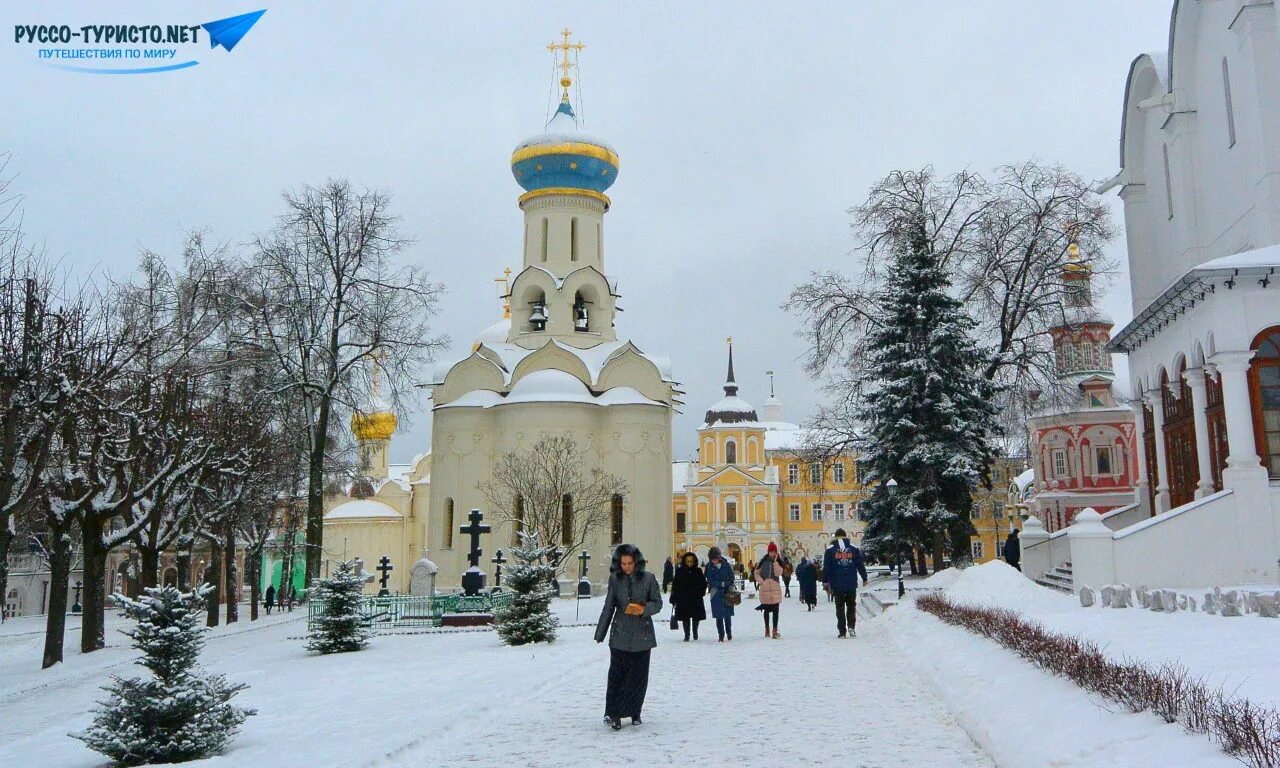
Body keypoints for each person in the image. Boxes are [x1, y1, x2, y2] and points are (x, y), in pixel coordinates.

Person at [595, 543, 663, 730]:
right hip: (620, 635)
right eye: (623, 563)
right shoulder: (615, 579)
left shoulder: (648, 579)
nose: (626, 567)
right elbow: (609, 605)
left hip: (642, 636)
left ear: (636, 563)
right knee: (617, 676)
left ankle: (635, 711)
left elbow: (657, 603)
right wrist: (600, 632)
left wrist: (644, 609)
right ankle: (613, 713)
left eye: (629, 563)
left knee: (638, 677)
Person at [822, 528, 868, 638]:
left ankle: (842, 631)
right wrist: (864, 577)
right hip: (851, 582)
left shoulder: (830, 550)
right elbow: (860, 564)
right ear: (845, 536)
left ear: (835, 536)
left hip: (837, 584)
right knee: (851, 605)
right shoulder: (853, 548)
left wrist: (825, 581)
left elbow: (827, 567)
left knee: (840, 607)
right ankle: (851, 627)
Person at [669, 552, 707, 641]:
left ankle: (695, 632)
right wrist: (673, 597)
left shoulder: (698, 571)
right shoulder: (680, 571)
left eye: (691, 561)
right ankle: (687, 634)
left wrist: (701, 591)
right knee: (685, 617)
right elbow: (675, 585)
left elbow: (703, 583)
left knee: (696, 617)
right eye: (688, 561)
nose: (689, 563)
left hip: (695, 598)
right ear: (684, 562)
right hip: (683, 598)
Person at [704, 546, 736, 642]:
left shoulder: (726, 565)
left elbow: (731, 577)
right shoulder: (709, 567)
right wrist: (720, 584)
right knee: (718, 616)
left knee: (727, 615)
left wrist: (725, 584)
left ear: (719, 558)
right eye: (712, 559)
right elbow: (709, 580)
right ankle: (721, 635)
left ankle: (729, 633)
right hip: (715, 593)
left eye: (715, 559)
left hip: (727, 592)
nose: (714, 561)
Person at [755, 542, 784, 639]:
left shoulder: (778, 562)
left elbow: (778, 573)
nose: (773, 553)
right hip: (765, 589)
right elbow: (756, 573)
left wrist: (776, 562)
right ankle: (767, 627)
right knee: (766, 610)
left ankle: (774, 630)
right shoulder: (763, 562)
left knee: (776, 611)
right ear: (768, 552)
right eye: (771, 551)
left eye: (774, 552)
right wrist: (761, 582)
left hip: (775, 589)